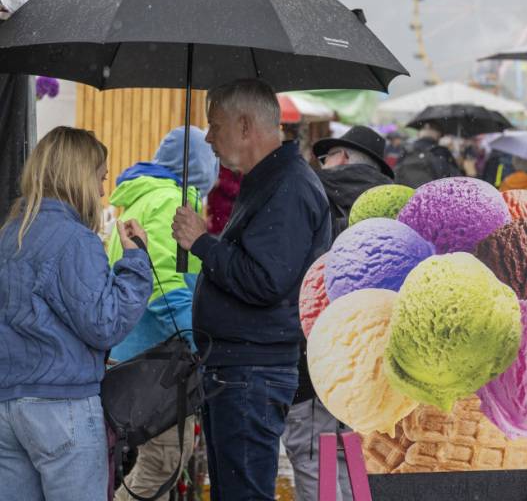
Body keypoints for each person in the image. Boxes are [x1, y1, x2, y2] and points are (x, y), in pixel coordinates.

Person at [171, 79, 332, 501]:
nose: (208, 137)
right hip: (240, 368)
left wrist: (202, 243)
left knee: (243, 492)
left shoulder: (288, 187)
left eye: (215, 125)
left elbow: (266, 281)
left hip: (252, 371)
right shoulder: (269, 180)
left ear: (244, 126)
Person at [0, 127, 152, 501]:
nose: (101, 191)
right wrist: (136, 261)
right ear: (78, 177)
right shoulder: (73, 239)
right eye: (99, 178)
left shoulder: (9, 234)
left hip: (8, 405)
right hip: (62, 406)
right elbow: (106, 324)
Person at [107, 126, 218, 501]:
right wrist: (194, 338)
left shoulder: (147, 197)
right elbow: (163, 282)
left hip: (136, 349)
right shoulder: (170, 201)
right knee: (164, 460)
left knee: (158, 458)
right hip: (159, 355)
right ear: (199, 164)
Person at [284, 126, 395, 501]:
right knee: (356, 453)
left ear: (343, 157)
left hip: (316, 350)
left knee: (312, 451)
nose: (323, 163)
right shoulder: (394, 207)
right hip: (376, 355)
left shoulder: (310, 193)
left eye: (326, 156)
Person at [394, 121, 460, 188]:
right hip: (432, 195)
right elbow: (456, 180)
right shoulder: (441, 151)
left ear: (419, 133)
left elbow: (395, 175)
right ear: (438, 134)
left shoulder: (406, 150)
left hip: (407, 194)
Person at [206, 164, 241, 236]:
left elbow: (238, 190)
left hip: (227, 218)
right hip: (214, 217)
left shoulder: (237, 167)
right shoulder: (218, 166)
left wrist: (221, 183)